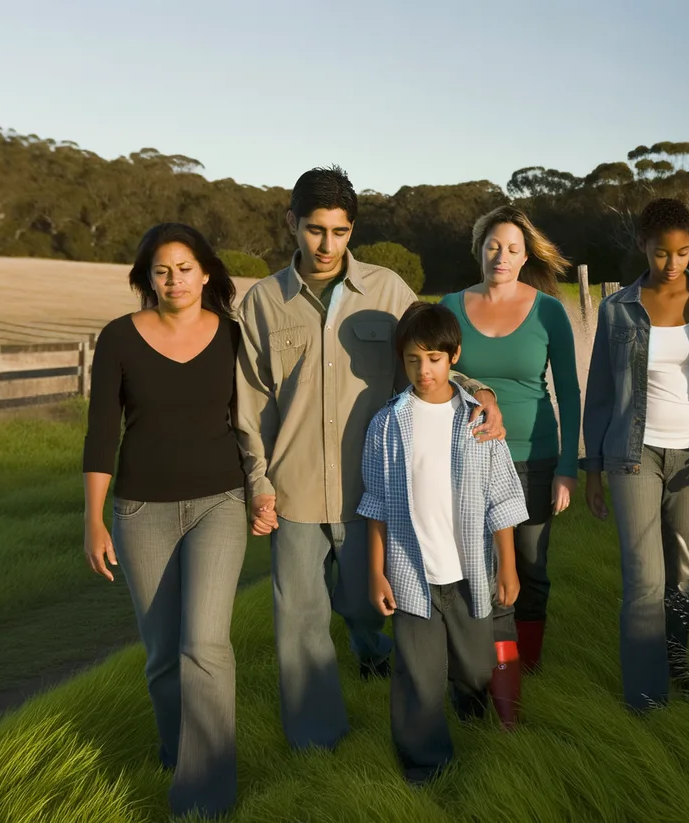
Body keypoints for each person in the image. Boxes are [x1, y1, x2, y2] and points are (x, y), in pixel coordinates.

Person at [235, 165, 504, 751]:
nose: (326, 245)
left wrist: (478, 391)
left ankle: (374, 651)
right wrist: (259, 482)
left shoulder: (388, 292)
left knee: (365, 603)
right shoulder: (261, 303)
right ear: (292, 223)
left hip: (375, 490)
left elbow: (430, 359)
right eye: (314, 230)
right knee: (300, 623)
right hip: (295, 490)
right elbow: (251, 405)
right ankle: (318, 742)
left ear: (352, 229)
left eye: (339, 232)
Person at [82, 223, 249, 818]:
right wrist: (93, 519)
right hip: (139, 511)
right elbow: (101, 432)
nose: (174, 280)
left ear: (205, 273)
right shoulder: (118, 338)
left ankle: (205, 794)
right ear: (147, 278)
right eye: (161, 270)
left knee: (204, 644)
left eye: (184, 268)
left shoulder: (233, 336)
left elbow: (253, 422)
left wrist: (264, 491)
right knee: (160, 654)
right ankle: (179, 753)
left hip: (220, 503)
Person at [581, 198, 689, 712]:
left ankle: (675, 665)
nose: (673, 263)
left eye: (682, 252)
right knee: (644, 579)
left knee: (681, 576)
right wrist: (592, 470)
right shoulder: (618, 309)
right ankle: (646, 699)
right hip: (632, 455)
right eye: (661, 253)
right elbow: (601, 394)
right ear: (643, 245)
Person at [360, 301, 528, 784]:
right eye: (413, 360)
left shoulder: (479, 419)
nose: (423, 370)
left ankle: (470, 705)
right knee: (418, 677)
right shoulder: (387, 424)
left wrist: (508, 566)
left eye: (433, 359)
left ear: (453, 357)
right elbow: (376, 504)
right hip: (411, 575)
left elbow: (501, 498)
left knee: (476, 669)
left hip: (468, 573)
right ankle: (425, 766)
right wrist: (376, 573)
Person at [441, 205, 579, 726]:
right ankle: (481, 664)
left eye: (513, 249)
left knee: (530, 567)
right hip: (469, 459)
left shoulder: (548, 313)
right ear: (479, 250)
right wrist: (478, 390)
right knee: (475, 569)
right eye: (493, 246)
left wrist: (567, 467)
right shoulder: (451, 307)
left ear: (526, 258)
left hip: (535, 458)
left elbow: (569, 392)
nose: (502, 256)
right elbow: (435, 372)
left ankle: (526, 664)